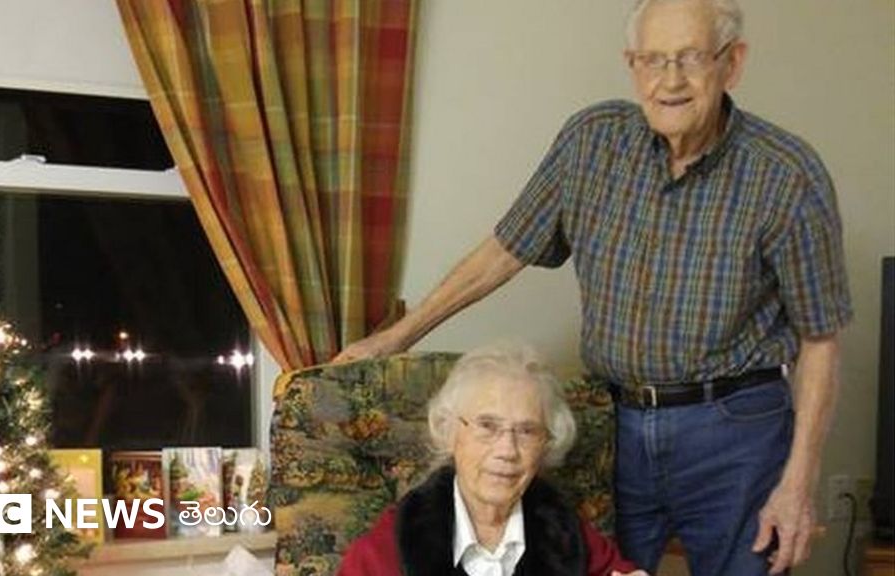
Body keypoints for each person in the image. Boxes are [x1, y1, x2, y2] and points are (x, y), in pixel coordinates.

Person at [335, 1, 852, 574]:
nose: (670, 80)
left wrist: (798, 482)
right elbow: (504, 250)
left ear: (732, 63)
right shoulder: (592, 142)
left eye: (690, 58)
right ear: (631, 65)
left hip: (734, 432)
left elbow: (820, 340)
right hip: (617, 425)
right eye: (652, 60)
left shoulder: (786, 174)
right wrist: (396, 337)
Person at [338, 343, 646, 576]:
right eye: (487, 426)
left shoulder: (566, 533)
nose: (507, 450)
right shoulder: (383, 552)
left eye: (527, 431)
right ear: (449, 431)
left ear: (546, 446)